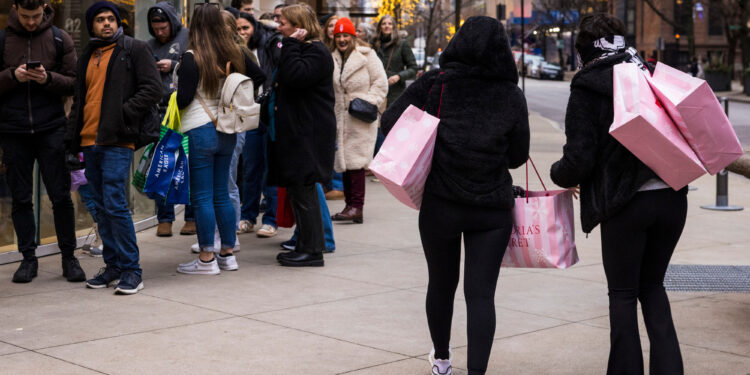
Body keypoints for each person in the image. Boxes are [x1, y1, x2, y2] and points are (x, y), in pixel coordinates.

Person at [381, 16, 529, 375]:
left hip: (440, 204)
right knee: (481, 295)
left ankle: (443, 361)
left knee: (441, 284)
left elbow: (389, 124)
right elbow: (516, 157)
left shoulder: (435, 85)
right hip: (491, 209)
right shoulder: (511, 94)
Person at [550, 13, 686, 375]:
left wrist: (558, 175)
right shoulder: (651, 71)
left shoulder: (587, 85)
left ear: (584, 50)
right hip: (672, 198)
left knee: (623, 294)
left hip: (626, 205)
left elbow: (578, 159)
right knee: (653, 286)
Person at [66, 1, 162, 294]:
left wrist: (123, 114)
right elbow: (81, 101)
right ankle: (113, 266)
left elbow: (153, 89)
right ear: (91, 25)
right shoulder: (88, 55)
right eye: (100, 20)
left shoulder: (133, 49)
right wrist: (72, 139)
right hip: (88, 139)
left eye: (111, 19)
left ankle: (132, 270)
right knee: (102, 208)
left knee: (115, 203)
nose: (106, 23)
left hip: (117, 138)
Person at [174, 4, 265, 275]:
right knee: (222, 194)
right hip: (227, 129)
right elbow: (259, 77)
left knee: (202, 197)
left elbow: (185, 98)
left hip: (199, 130)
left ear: (195, 25)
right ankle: (227, 254)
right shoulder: (235, 53)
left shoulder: (192, 56)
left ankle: (205, 259)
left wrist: (167, 99)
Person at [0, 0, 86, 283]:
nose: (31, 22)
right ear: (15, 8)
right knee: (21, 199)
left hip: (51, 128)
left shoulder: (59, 38)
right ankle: (27, 259)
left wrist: (47, 78)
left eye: (36, 16)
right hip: (13, 131)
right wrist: (13, 75)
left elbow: (74, 82)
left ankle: (69, 257)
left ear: (45, 8)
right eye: (25, 16)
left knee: (61, 197)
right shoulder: (3, 39)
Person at [269, 3, 336, 267]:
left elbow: (295, 75)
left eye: (284, 23)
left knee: (305, 191)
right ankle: (306, 244)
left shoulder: (316, 52)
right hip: (300, 132)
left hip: (309, 135)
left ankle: (313, 250)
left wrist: (292, 45)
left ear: (298, 27)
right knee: (299, 191)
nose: (279, 26)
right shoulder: (306, 49)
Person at [330, 17, 387, 223]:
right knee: (345, 163)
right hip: (340, 117)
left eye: (346, 35)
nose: (342, 39)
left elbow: (380, 83)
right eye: (338, 36)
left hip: (360, 117)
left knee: (356, 163)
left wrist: (367, 102)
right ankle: (350, 206)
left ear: (353, 37)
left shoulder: (367, 55)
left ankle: (357, 207)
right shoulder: (332, 57)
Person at [146, 2, 195, 237]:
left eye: (163, 27)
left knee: (189, 165)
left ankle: (191, 216)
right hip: (160, 111)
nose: (159, 32)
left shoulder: (187, 37)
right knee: (163, 165)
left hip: (186, 109)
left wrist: (174, 65)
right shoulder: (149, 45)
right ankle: (164, 218)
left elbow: (200, 66)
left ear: (172, 23)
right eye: (155, 27)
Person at [236, 10, 283, 238]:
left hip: (269, 113)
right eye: (238, 29)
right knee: (250, 168)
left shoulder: (268, 46)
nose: (242, 32)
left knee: (270, 168)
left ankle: (271, 219)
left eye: (245, 27)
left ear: (254, 28)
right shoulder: (234, 51)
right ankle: (247, 216)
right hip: (248, 114)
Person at [373, 14, 417, 157]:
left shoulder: (402, 44)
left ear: (394, 27)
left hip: (395, 94)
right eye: (384, 24)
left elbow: (413, 68)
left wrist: (399, 76)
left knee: (391, 127)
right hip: (376, 92)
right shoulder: (374, 44)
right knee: (376, 127)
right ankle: (377, 160)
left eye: (389, 24)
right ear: (380, 27)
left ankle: (390, 160)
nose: (386, 26)